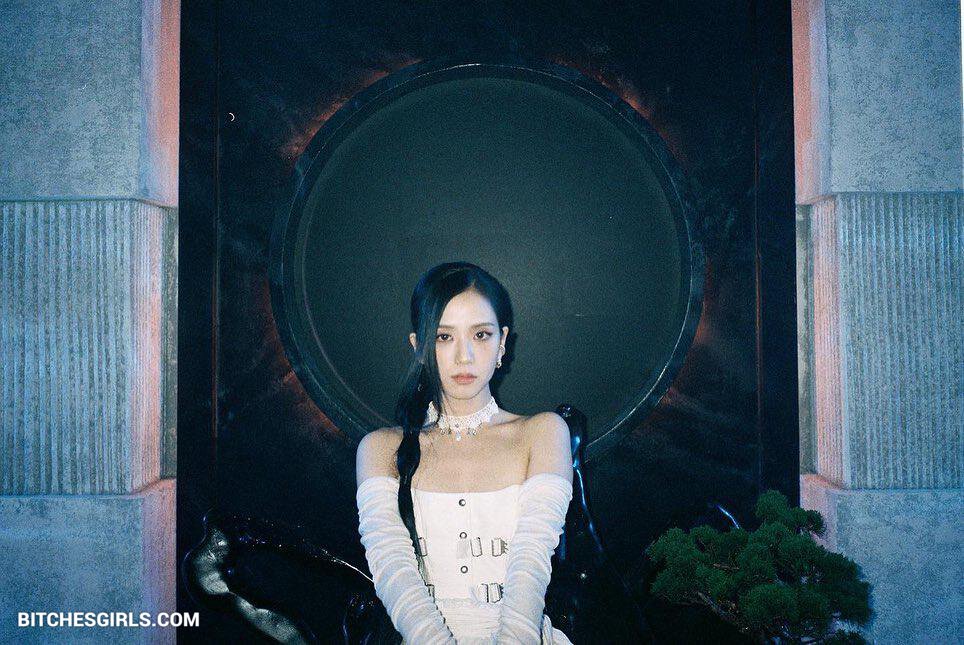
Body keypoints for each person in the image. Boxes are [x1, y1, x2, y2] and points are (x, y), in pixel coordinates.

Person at [355, 261, 575, 644]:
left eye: (481, 334)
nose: (464, 356)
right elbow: (392, 569)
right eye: (444, 337)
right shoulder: (380, 449)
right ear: (418, 347)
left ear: (502, 342)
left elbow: (532, 561)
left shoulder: (543, 433)